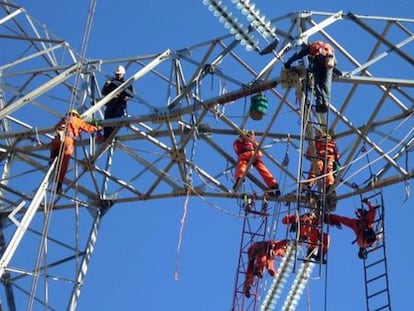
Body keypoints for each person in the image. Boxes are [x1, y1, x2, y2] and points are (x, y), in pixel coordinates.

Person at [49, 109, 100, 193]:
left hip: (57, 140)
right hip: (68, 140)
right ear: (76, 115)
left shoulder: (62, 121)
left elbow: (55, 129)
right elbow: (88, 128)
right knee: (64, 164)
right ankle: (59, 186)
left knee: (55, 148)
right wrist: (97, 127)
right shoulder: (77, 120)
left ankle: (52, 156)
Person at [284, 40, 336, 113]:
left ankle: (322, 102)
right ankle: (323, 102)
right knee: (323, 84)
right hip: (325, 64)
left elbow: (297, 55)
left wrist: (288, 62)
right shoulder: (322, 48)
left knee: (320, 85)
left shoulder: (311, 49)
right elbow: (334, 62)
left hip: (324, 63)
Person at [233, 130, 281, 196]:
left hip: (246, 155)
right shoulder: (252, 140)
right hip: (252, 155)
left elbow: (237, 150)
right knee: (262, 169)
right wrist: (258, 154)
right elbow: (257, 147)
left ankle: (239, 178)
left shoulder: (239, 141)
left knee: (242, 165)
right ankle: (274, 185)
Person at [101, 65, 134, 140]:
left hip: (120, 104)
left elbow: (132, 94)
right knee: (107, 121)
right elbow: (103, 92)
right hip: (110, 104)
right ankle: (106, 136)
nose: (118, 75)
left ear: (123, 74)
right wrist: (106, 85)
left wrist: (125, 96)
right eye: (117, 74)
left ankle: (110, 135)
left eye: (119, 74)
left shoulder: (126, 83)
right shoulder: (111, 83)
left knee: (116, 120)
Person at [305, 131, 340, 196]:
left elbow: (309, 151)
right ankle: (311, 183)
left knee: (323, 170)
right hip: (325, 158)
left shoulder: (324, 143)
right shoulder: (330, 144)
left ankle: (311, 183)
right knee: (323, 169)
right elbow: (337, 155)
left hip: (326, 158)